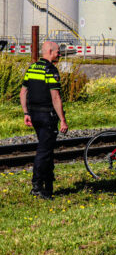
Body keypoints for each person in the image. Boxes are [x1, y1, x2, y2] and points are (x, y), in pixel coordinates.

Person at [20, 41, 69, 199]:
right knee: (44, 151)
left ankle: (48, 185)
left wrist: (26, 113)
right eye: (57, 52)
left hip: (34, 115)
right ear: (49, 51)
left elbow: (23, 92)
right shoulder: (50, 70)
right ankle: (37, 186)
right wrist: (62, 119)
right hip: (47, 115)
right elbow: (55, 97)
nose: (59, 55)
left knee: (45, 149)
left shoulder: (32, 68)